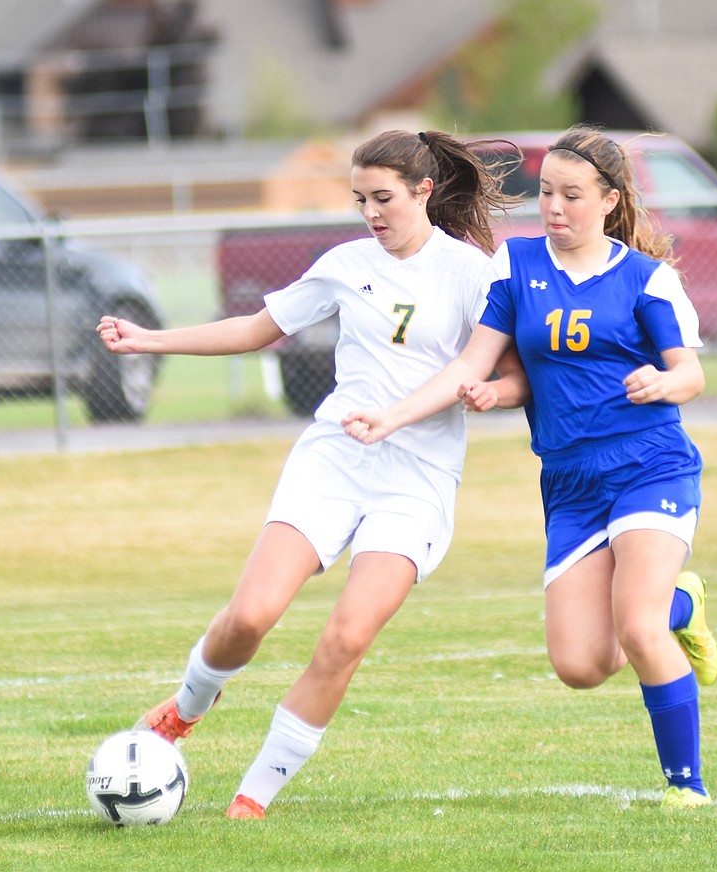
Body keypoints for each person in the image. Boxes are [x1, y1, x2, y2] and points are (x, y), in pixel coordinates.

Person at [96, 129, 524, 820]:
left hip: (417, 478)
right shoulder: (345, 263)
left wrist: (490, 396)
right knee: (251, 616)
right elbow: (257, 328)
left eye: (383, 198)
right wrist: (151, 339)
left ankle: (251, 799)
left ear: (423, 191)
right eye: (360, 200)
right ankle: (186, 707)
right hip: (334, 459)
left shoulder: (476, 274)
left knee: (347, 636)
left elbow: (509, 376)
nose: (371, 214)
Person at [342, 124, 717, 810]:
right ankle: (680, 603)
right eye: (545, 191)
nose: (554, 207)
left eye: (571, 195)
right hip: (569, 482)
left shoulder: (646, 279)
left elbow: (688, 373)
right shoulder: (514, 267)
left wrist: (663, 385)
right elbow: (473, 363)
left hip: (648, 465)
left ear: (609, 201)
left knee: (635, 627)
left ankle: (686, 787)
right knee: (579, 666)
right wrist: (413, 410)